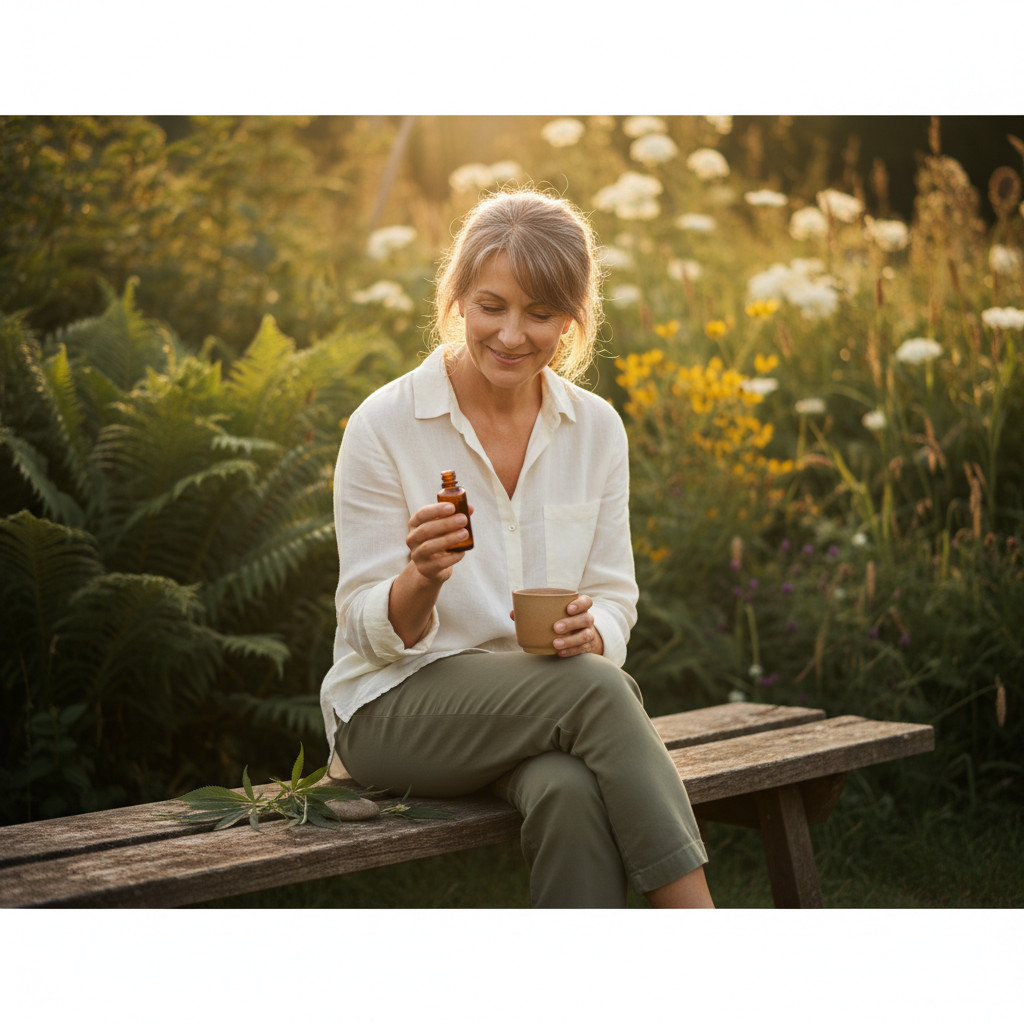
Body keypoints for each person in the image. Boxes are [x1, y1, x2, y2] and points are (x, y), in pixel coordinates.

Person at [319, 189, 713, 909]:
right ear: (459, 299)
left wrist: (596, 631)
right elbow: (365, 629)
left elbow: (615, 595)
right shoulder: (386, 425)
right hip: (392, 712)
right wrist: (424, 578)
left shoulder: (595, 430)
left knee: (568, 789)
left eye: (540, 313)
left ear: (572, 318)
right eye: (492, 305)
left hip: (535, 712)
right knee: (595, 690)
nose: (511, 334)